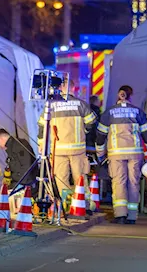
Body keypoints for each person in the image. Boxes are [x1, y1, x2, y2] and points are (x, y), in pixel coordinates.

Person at [96, 85, 147, 224]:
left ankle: (120, 215)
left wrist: (100, 154)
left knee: (119, 183)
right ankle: (132, 216)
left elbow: (101, 135)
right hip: (135, 154)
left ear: (118, 95)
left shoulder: (109, 113)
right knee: (134, 183)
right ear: (131, 96)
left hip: (116, 154)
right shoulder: (137, 112)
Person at [38, 76, 96, 205]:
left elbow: (42, 125)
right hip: (77, 149)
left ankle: (64, 206)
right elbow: (91, 122)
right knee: (80, 178)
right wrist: (84, 131)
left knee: (61, 179)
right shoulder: (81, 104)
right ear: (73, 88)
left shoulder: (51, 105)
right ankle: (83, 205)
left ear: (60, 88)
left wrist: (41, 143)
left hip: (58, 149)